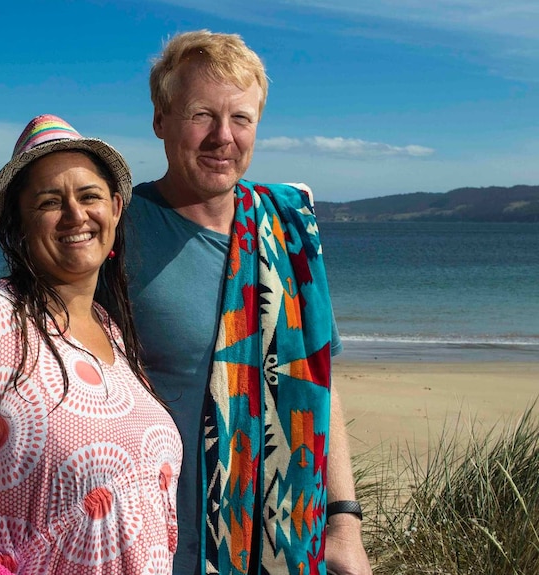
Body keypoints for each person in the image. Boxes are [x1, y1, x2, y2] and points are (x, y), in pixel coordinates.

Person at [123, 31, 373, 575]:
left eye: (241, 118)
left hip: (288, 544)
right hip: (155, 547)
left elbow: (318, 385)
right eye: (200, 115)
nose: (222, 137)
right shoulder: (117, 230)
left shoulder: (289, 228)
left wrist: (345, 524)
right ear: (160, 120)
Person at [0, 114, 182, 575]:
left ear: (116, 209)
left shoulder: (112, 331)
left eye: (90, 196)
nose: (75, 215)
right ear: (19, 223)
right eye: (50, 202)